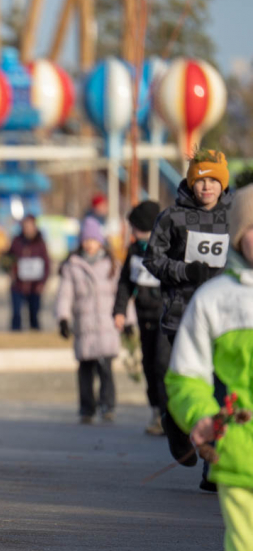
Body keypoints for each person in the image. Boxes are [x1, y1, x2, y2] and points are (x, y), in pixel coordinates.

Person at [165, 184, 253, 551]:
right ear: (239, 235)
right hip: (238, 456)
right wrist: (199, 415)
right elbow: (187, 373)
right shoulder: (215, 299)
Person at [143, 149, 234, 491]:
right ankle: (176, 425)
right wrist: (184, 271)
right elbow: (152, 259)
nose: (207, 187)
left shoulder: (236, 217)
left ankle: (213, 469)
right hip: (182, 318)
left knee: (221, 394)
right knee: (184, 387)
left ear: (223, 184)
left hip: (225, 322)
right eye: (200, 181)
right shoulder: (173, 217)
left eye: (213, 181)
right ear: (191, 182)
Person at [56, 217, 122, 424]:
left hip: (106, 326)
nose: (89, 244)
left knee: (106, 369)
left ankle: (108, 406)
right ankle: (86, 409)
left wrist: (127, 320)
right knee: (85, 370)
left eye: (93, 240)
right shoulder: (73, 266)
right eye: (86, 240)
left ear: (100, 241)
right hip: (84, 326)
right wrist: (63, 318)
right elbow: (65, 295)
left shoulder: (111, 264)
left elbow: (121, 295)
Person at [113, 201, 166, 435]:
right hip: (145, 317)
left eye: (135, 227)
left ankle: (168, 415)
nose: (132, 231)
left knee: (163, 364)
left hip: (167, 317)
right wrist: (120, 311)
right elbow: (125, 282)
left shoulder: (169, 247)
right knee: (149, 365)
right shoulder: (135, 251)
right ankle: (156, 411)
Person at [5, 215, 50, 331]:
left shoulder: (40, 243)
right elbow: (8, 259)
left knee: (34, 315)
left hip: (35, 286)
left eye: (30, 226)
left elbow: (47, 265)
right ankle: (15, 337)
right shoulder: (17, 241)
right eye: (25, 226)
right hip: (18, 285)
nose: (28, 229)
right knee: (16, 315)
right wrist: (9, 269)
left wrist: (42, 283)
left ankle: (35, 337)